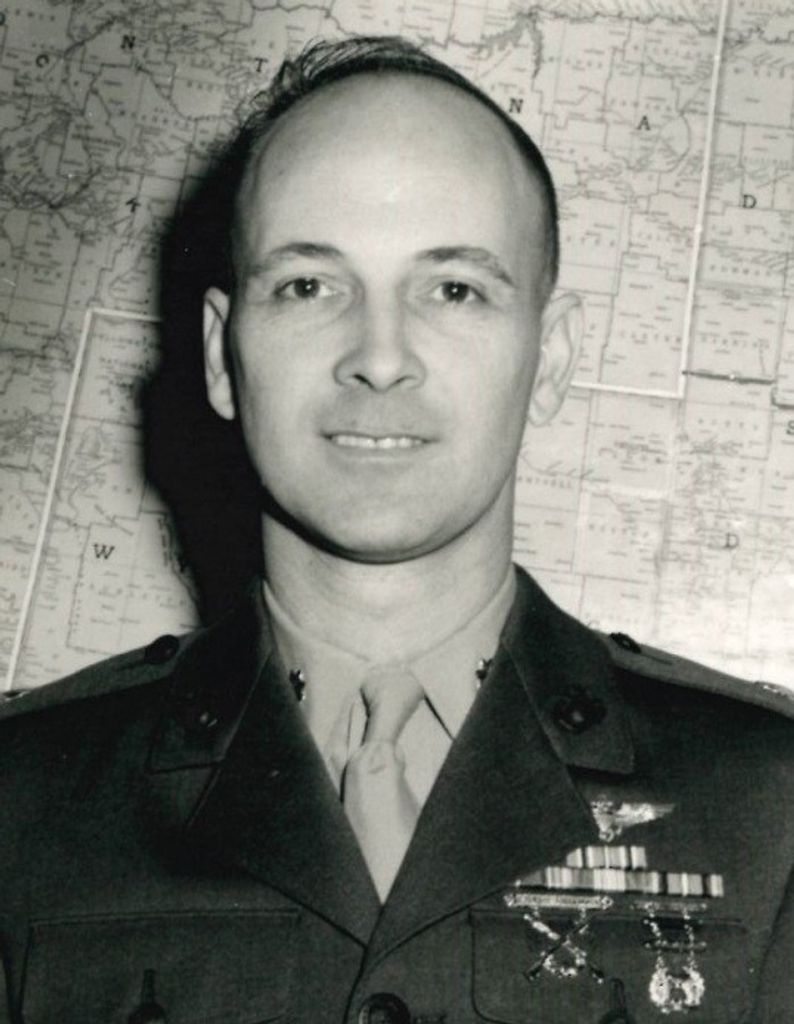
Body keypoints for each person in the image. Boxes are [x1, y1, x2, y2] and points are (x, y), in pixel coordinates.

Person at [1, 35, 792, 1024]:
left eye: (454, 289)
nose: (379, 357)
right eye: (308, 285)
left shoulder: (771, 807)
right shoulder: (20, 802)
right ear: (218, 354)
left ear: (548, 361)